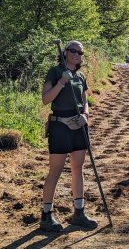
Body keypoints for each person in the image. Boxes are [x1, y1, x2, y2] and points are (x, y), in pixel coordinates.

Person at [39, 40, 98, 232]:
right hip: (60, 127)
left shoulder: (80, 76)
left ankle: (78, 213)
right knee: (55, 171)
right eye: (73, 51)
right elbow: (46, 99)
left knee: (77, 169)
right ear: (65, 53)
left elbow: (85, 101)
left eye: (80, 52)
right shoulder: (55, 72)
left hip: (78, 126)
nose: (77, 55)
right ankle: (46, 215)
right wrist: (62, 82)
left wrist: (85, 115)